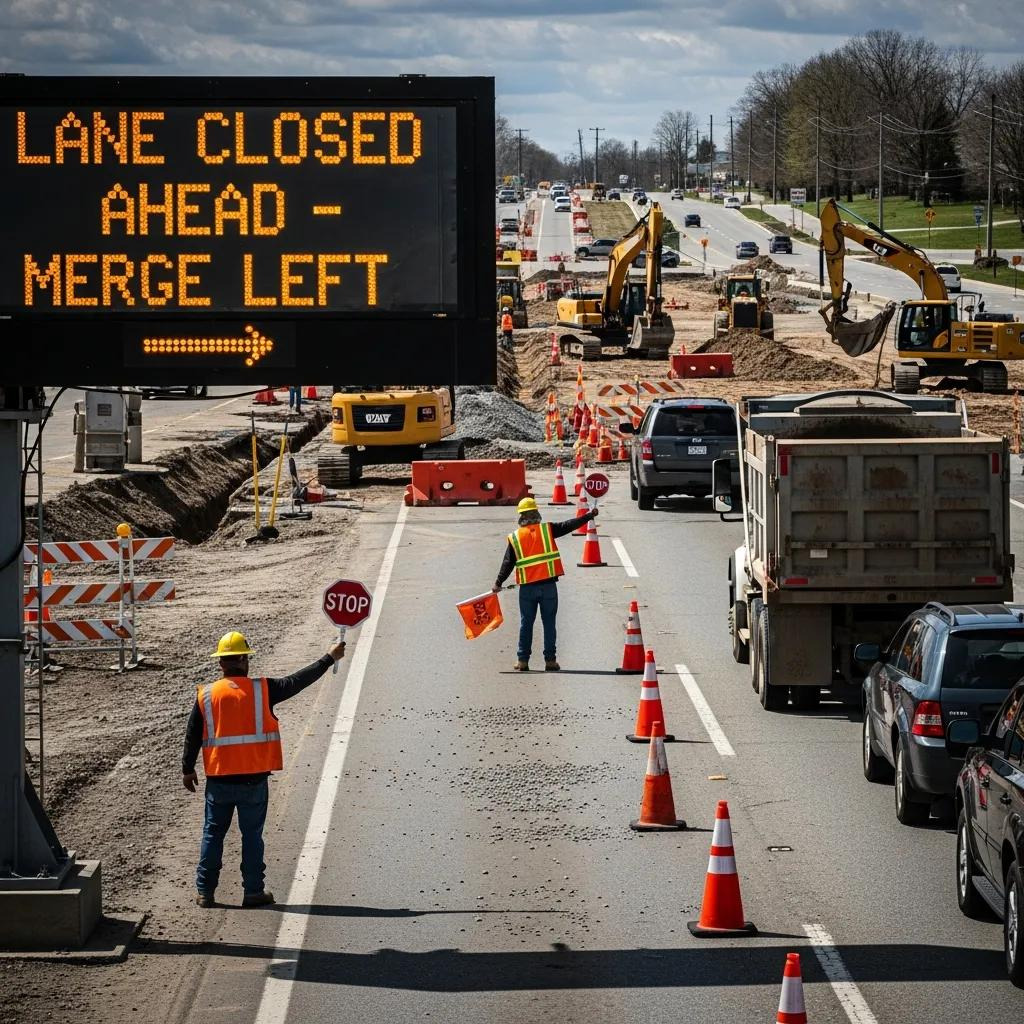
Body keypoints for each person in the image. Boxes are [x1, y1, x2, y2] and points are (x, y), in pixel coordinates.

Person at [182, 630, 346, 908]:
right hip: (253, 782)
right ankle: (253, 891)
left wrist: (188, 769)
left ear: (221, 663)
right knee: (252, 836)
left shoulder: (207, 695)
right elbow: (298, 681)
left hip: (218, 780)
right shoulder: (263, 689)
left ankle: (205, 892)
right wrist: (329, 658)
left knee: (212, 834)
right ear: (245, 660)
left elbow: (193, 733)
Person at [492, 496, 597, 672]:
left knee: (526, 623)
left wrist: (498, 583)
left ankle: (522, 661)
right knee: (549, 623)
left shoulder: (516, 538)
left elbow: (507, 563)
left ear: (520, 516)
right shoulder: (547, 530)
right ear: (537, 513)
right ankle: (550, 661)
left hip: (527, 589)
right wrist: (588, 515)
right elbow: (569, 525)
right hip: (548, 587)